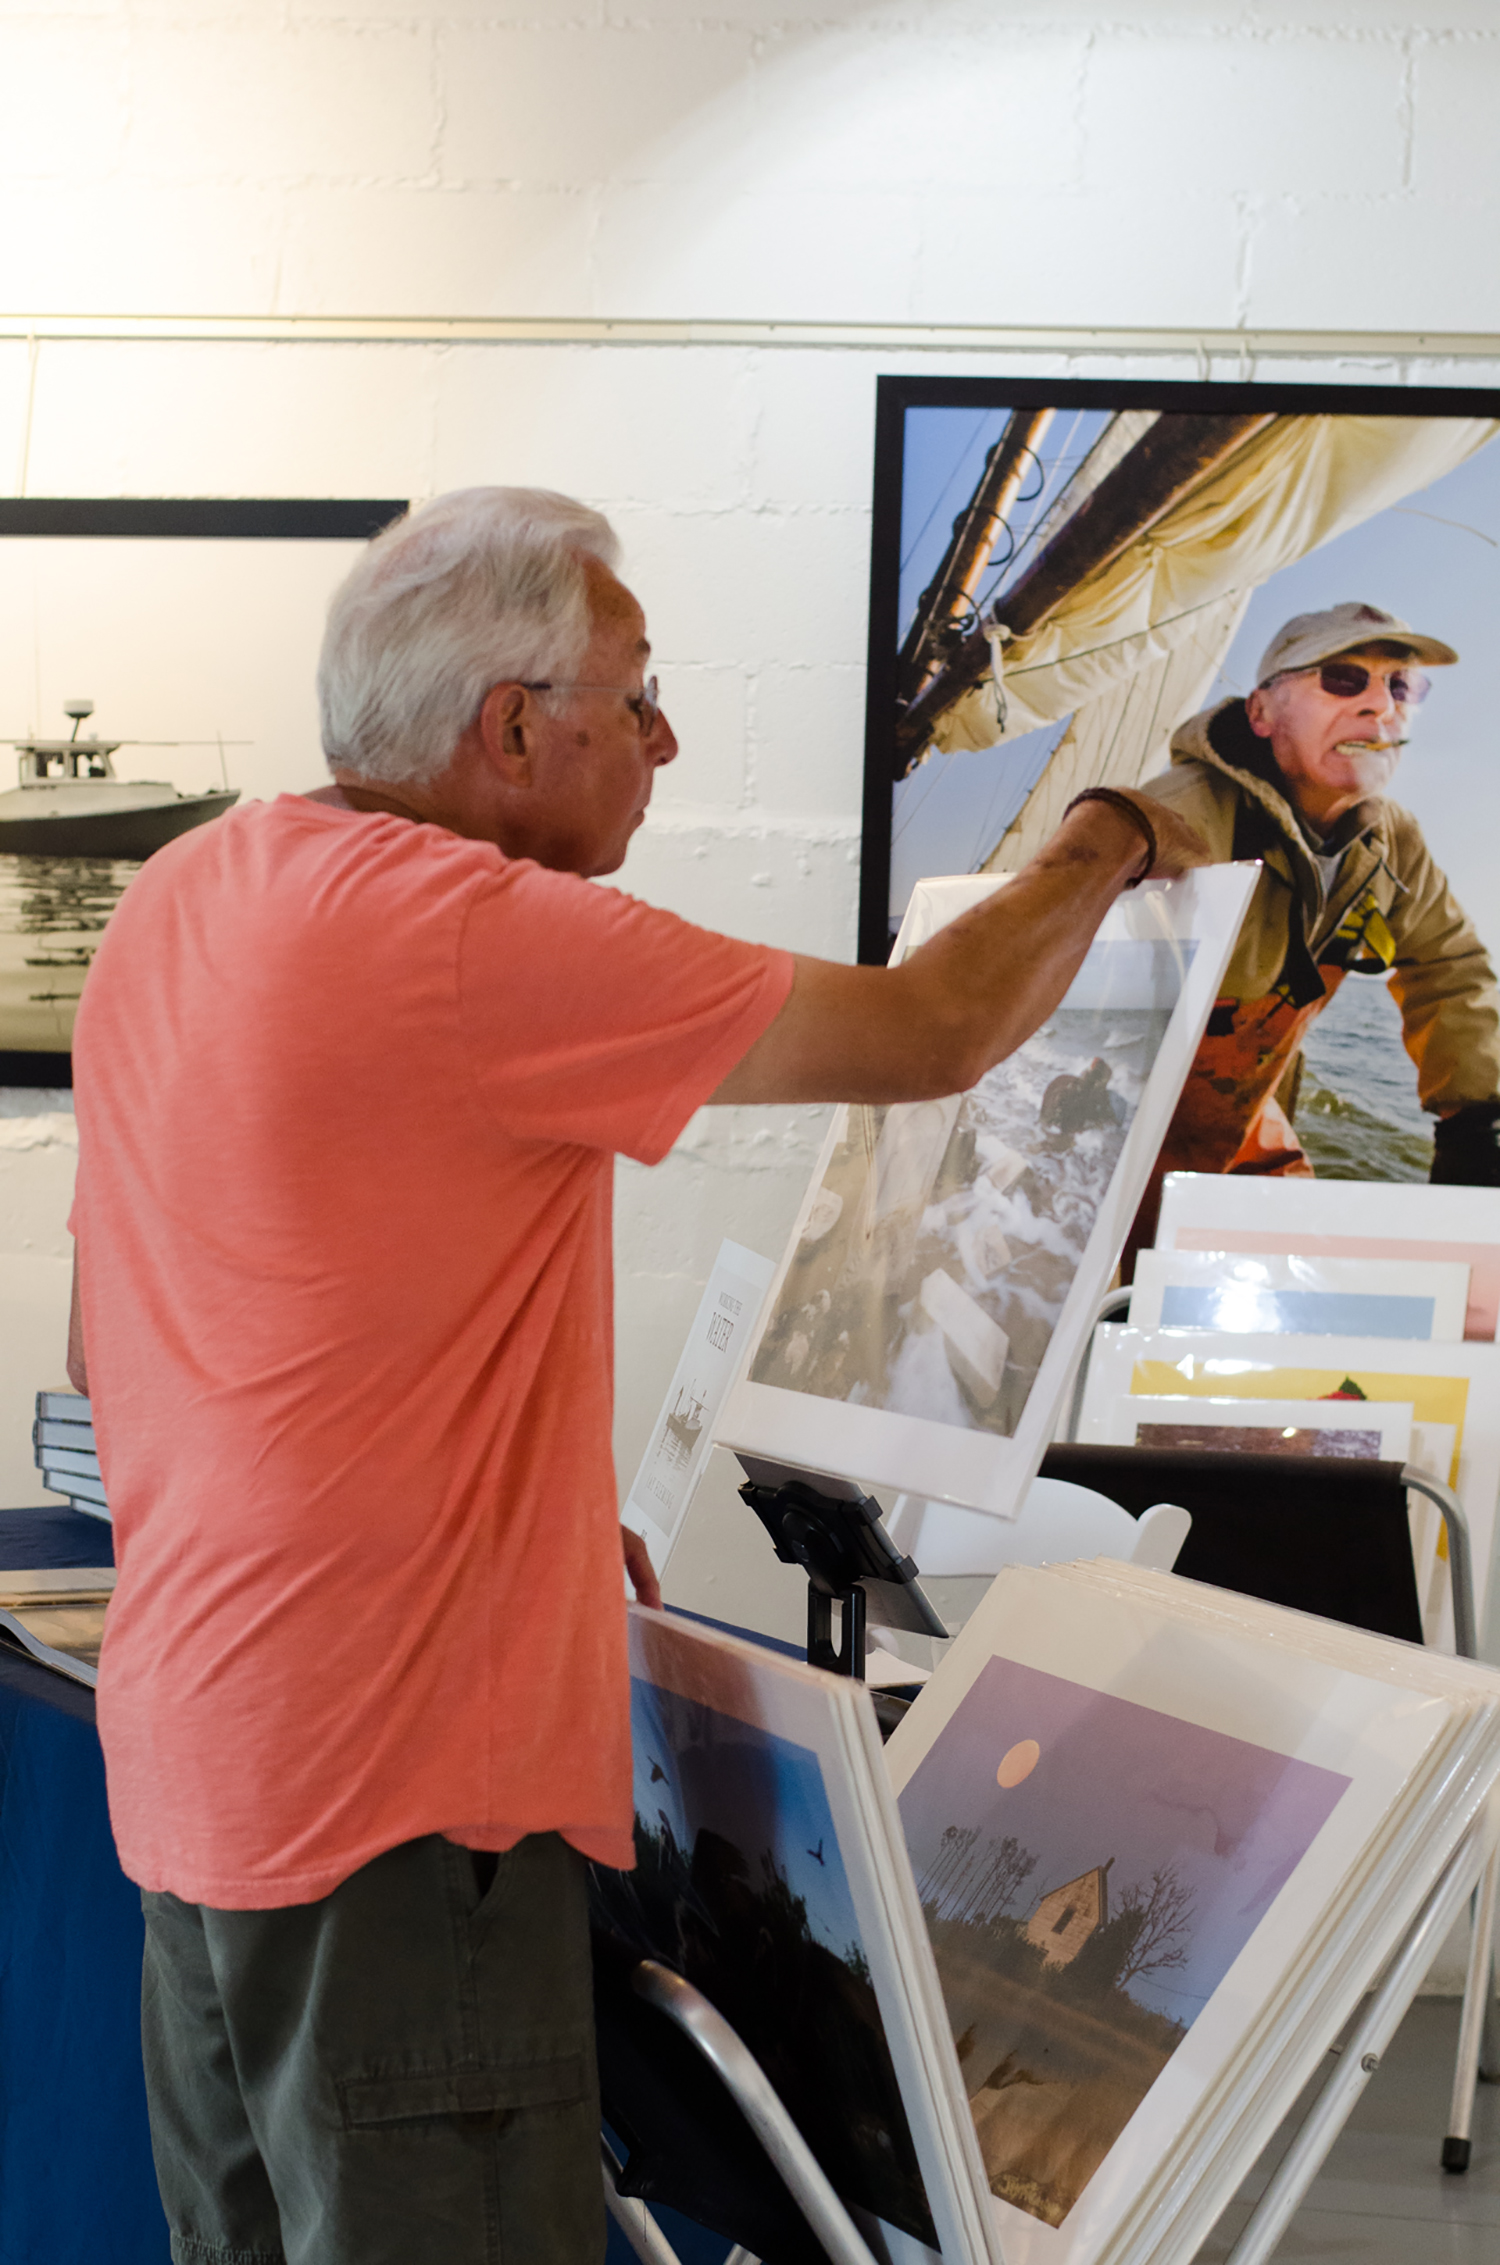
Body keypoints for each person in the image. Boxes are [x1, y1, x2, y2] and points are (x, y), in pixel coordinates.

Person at [66, 486, 1206, 2265]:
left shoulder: (192, 889)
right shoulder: (464, 927)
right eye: (639, 692)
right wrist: (1112, 836)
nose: (666, 739)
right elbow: (933, 1033)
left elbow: (176, 1321)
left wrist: (507, 1499)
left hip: (209, 1752)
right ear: (514, 728)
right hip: (400, 1800)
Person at [1135, 600, 1500, 1241]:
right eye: (1342, 678)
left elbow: (1450, 968)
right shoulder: (1175, 821)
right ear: (1261, 712)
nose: (1380, 706)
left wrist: (1479, 1120)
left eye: (1401, 685)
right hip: (1121, 1123)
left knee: (1303, 1276)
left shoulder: (1390, 841)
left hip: (1241, 1122)